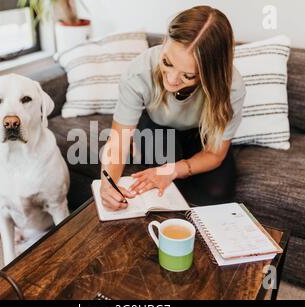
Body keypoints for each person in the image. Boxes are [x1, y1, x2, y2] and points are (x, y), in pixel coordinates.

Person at [100, 6, 246, 211]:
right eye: (167, 62)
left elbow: (215, 153)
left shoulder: (232, 87)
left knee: (218, 193)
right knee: (164, 185)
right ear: (165, 41)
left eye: (188, 75)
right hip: (156, 126)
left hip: (201, 133)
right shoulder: (139, 72)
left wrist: (175, 169)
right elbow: (118, 140)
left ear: (210, 74)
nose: (171, 79)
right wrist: (108, 184)